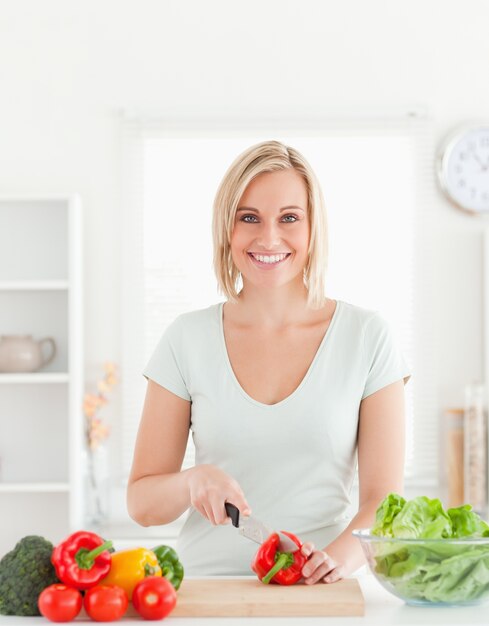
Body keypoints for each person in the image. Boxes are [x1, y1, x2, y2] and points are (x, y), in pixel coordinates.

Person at [127, 140, 411, 583]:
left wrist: (334, 562)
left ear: (313, 228)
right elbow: (142, 505)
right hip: (204, 592)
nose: (269, 237)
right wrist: (191, 481)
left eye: (290, 218)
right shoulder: (186, 338)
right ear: (228, 228)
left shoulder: (367, 338)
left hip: (317, 594)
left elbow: (384, 501)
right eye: (249, 218)